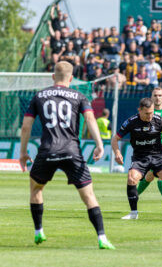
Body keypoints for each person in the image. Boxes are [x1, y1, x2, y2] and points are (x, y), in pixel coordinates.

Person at [19, 61, 115, 250]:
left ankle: (39, 231)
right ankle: (102, 237)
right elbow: (89, 119)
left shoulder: (39, 96)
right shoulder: (79, 96)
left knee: (36, 189)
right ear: (71, 78)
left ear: (53, 77)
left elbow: (26, 126)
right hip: (72, 151)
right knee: (89, 196)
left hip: (47, 151)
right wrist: (99, 144)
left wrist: (23, 152)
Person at [112, 98, 162, 220]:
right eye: (147, 113)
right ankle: (133, 214)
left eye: (152, 112)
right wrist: (117, 153)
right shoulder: (131, 122)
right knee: (131, 179)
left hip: (158, 156)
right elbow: (115, 139)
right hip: (140, 158)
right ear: (139, 110)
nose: (150, 116)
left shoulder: (159, 121)